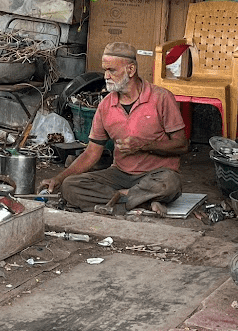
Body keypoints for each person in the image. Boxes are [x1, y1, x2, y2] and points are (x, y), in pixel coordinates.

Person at [39, 42, 188, 214]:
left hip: (156, 174)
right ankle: (139, 202)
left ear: (130, 70)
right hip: (120, 174)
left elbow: (182, 145)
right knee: (70, 186)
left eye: (112, 70)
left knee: (170, 183)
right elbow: (91, 153)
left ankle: (121, 200)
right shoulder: (105, 106)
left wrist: (143, 145)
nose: (106, 76)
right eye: (105, 70)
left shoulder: (161, 98)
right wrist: (58, 178)